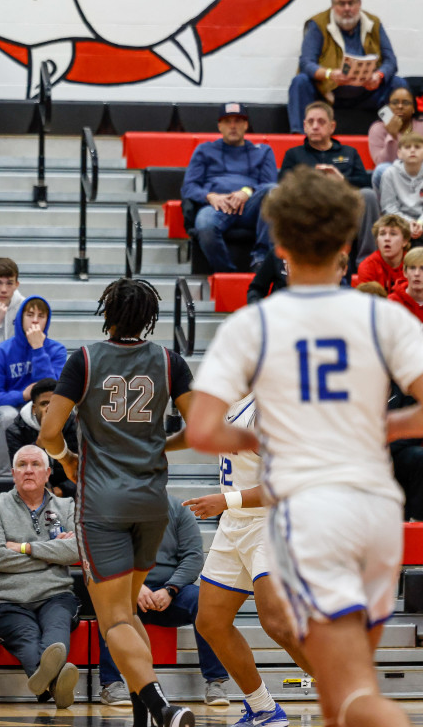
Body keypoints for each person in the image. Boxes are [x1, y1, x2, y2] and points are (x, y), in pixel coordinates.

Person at [187, 166, 423, 727]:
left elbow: (199, 430)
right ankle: (269, 708)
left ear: (282, 246)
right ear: (348, 244)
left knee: (287, 628)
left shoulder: (256, 325)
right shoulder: (381, 317)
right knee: (214, 619)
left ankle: (336, 692)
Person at [37, 277, 196, 727]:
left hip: (102, 504)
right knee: (127, 611)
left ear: (106, 313)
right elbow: (203, 428)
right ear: (150, 318)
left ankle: (161, 706)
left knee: (114, 622)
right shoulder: (170, 361)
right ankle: (143, 714)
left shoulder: (85, 360)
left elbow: (48, 434)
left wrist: (66, 458)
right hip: (152, 503)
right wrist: (159, 447)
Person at [181, 394, 307, 727]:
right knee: (210, 622)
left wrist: (227, 499)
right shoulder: (226, 402)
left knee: (277, 623)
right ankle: (263, 708)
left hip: (270, 523)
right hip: (235, 522)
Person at [95, 495, 231, 708]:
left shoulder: (178, 509)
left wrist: (171, 589)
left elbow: (193, 556)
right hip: (127, 593)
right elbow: (106, 557)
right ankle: (111, 684)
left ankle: (216, 682)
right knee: (108, 604)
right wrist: (134, 586)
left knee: (204, 601)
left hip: (169, 595)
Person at [0, 446, 80, 710]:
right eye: (22, 465)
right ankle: (57, 685)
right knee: (28, 635)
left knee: (56, 633)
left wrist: (24, 547)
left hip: (55, 594)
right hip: (6, 599)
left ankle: (46, 684)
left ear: (47, 473)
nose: (29, 470)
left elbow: (76, 550)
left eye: (36, 464)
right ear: (13, 473)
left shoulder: (66, 505)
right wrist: (51, 552)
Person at [287, 0, 408, 134]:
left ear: (360, 3)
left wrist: (379, 75)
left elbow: (391, 61)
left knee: (398, 83)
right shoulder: (318, 24)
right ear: (332, 5)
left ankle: (399, 136)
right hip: (328, 94)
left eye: (351, 3)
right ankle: (299, 137)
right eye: (341, 4)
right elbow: (306, 63)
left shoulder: (374, 23)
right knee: (300, 81)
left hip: (368, 93)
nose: (347, 8)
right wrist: (329, 74)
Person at [274, 101, 379, 265]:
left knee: (369, 195)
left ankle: (366, 260)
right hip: (307, 205)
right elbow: (282, 184)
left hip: (343, 203)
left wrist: (342, 180)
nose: (315, 126)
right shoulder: (294, 154)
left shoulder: (349, 152)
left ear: (332, 126)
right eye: (310, 122)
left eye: (321, 122)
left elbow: (365, 182)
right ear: (304, 126)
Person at [180, 103, 278, 273]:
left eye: (238, 121)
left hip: (250, 207)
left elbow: (270, 183)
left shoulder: (263, 151)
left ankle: (261, 259)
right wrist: (210, 196)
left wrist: (246, 192)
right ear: (220, 125)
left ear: (246, 125)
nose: (233, 126)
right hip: (217, 206)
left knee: (274, 191)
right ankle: (226, 273)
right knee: (204, 225)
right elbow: (189, 187)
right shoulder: (204, 150)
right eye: (227, 121)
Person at [0, 295, 68, 473]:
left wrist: (38, 349)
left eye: (41, 316)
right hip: (12, 407)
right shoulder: (1, 352)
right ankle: (5, 476)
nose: (35, 321)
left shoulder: (57, 350)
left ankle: (61, 475)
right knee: (7, 418)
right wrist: (22, 395)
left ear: (48, 320)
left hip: (46, 407)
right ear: (20, 318)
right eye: (30, 315)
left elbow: (54, 390)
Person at [5, 378, 77, 496]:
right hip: (32, 495)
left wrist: (59, 491)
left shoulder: (75, 426)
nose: (50, 409)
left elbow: (84, 471)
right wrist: (40, 442)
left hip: (70, 494)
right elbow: (21, 472)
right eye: (44, 404)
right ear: (34, 409)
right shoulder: (16, 431)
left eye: (54, 404)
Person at [351, 213, 409, 291]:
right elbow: (368, 301)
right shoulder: (367, 266)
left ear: (405, 241)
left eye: (393, 234)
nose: (387, 238)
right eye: (382, 234)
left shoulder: (414, 264)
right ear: (377, 241)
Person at [369, 85, 423, 167]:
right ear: (388, 107)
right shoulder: (377, 129)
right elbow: (382, 164)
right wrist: (392, 136)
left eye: (405, 103)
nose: (400, 106)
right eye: (395, 103)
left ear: (413, 108)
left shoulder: (421, 125)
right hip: (390, 174)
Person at [377, 131, 423, 225]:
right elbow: (389, 208)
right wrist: (409, 223)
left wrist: (420, 223)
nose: (412, 150)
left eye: (417, 147)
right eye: (407, 147)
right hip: (399, 224)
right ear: (399, 153)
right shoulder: (389, 174)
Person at [390, 247, 423, 322]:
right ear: (405, 272)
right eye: (412, 268)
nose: (416, 273)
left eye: (422, 268)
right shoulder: (393, 303)